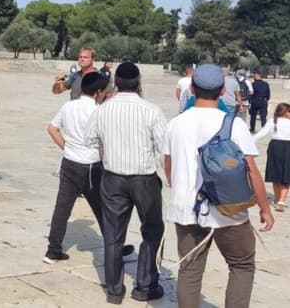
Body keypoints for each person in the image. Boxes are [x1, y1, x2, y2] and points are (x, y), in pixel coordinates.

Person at [164, 64, 273, 308]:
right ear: (223, 89)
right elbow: (252, 171)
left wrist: (179, 188)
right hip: (228, 210)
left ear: (192, 88)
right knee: (241, 265)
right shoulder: (234, 124)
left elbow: (169, 166)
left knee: (190, 271)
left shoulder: (176, 123)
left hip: (186, 209)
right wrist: (264, 208)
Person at [86, 63, 167, 304]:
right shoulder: (151, 110)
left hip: (112, 177)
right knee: (152, 230)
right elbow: (164, 145)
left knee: (113, 235)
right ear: (139, 81)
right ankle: (145, 285)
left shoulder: (102, 110)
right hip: (144, 178)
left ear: (116, 83)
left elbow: (90, 140)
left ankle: (114, 290)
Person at [44, 72, 135, 263]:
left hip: (69, 162)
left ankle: (53, 249)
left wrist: (66, 146)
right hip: (93, 166)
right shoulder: (100, 111)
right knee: (103, 209)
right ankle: (115, 248)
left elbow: (52, 128)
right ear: (98, 92)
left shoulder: (68, 106)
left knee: (62, 207)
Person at [252, 102, 290, 211]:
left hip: (275, 147)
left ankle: (278, 199)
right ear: (285, 112)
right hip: (288, 147)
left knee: (276, 174)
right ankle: (281, 201)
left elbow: (260, 134)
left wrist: (249, 142)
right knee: (286, 174)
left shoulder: (273, 121)